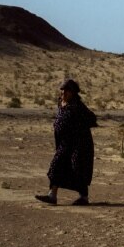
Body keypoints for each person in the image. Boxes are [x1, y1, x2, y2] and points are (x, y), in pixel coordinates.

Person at [35, 78, 98, 206]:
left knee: (77, 168)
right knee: (56, 165)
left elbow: (92, 118)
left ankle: (84, 197)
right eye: (62, 89)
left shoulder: (77, 105)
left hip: (79, 144)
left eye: (67, 90)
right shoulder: (60, 103)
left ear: (73, 92)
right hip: (64, 143)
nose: (64, 92)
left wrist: (79, 128)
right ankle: (52, 195)